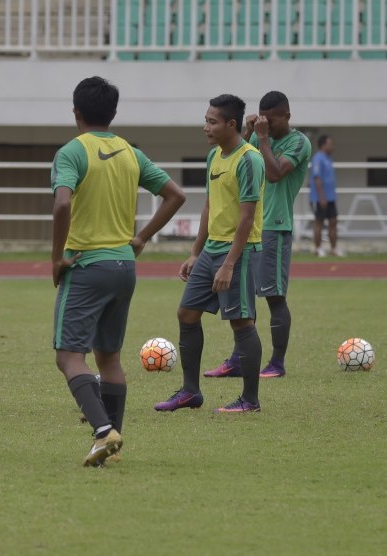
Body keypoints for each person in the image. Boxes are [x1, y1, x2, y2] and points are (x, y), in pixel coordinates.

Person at [51, 76, 186, 466]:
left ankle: (102, 431)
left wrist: (57, 257)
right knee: (108, 357)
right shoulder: (129, 152)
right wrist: (141, 236)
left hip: (87, 265)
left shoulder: (72, 152)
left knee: (69, 357)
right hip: (124, 266)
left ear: (75, 111)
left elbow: (62, 206)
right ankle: (113, 440)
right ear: (113, 113)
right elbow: (175, 194)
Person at [154, 94, 265, 414]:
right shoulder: (213, 156)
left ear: (232, 124)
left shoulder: (249, 159)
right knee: (186, 313)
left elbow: (247, 217)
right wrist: (195, 252)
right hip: (210, 249)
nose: (206, 127)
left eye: (212, 121)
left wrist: (229, 264)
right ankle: (190, 392)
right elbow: (208, 205)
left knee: (241, 323)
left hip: (239, 252)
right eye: (206, 120)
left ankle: (250, 400)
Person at [205, 91, 311, 379]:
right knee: (244, 300)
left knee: (274, 297)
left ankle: (277, 363)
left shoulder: (299, 142)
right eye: (263, 119)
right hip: (249, 231)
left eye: (272, 120)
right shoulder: (256, 137)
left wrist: (261, 138)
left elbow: (275, 173)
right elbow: (242, 155)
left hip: (275, 227)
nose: (268, 125)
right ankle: (239, 360)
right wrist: (249, 131)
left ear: (287, 116)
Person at [310, 134, 342, 257]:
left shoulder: (329, 158)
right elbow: (317, 178)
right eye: (330, 144)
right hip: (320, 198)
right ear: (323, 145)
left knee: (333, 221)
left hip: (331, 197)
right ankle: (318, 249)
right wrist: (321, 197)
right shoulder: (318, 158)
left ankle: (333, 248)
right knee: (319, 222)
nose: (332, 146)